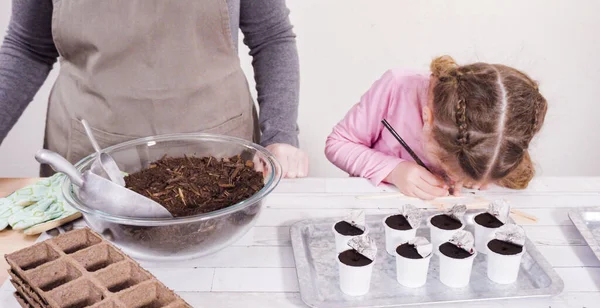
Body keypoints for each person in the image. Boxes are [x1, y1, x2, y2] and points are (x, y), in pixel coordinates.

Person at [0, 0, 308, 178]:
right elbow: (27, 46)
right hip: (91, 164)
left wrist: (280, 134)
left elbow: (271, 36)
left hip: (219, 158)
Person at [325, 56, 547, 200]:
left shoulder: (494, 128)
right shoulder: (397, 86)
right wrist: (394, 171)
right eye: (446, 164)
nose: (450, 174)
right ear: (426, 119)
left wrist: (474, 176)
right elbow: (338, 144)